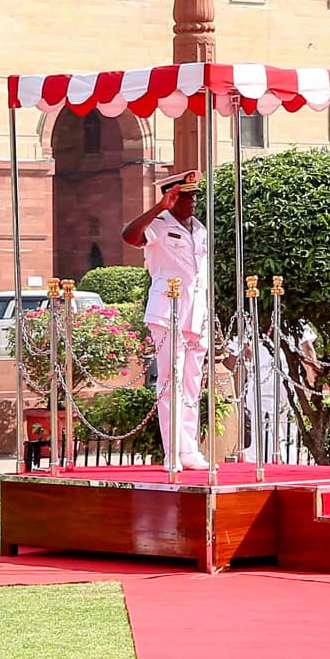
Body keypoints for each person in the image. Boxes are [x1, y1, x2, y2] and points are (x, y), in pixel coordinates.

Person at [123, 169, 209, 471]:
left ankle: (188, 449)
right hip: (167, 311)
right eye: (186, 197)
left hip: (196, 314)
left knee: (192, 383)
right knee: (171, 381)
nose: (193, 202)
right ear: (171, 198)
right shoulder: (158, 225)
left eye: (194, 196)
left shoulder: (200, 229)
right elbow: (129, 236)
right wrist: (159, 207)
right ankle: (172, 450)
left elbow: (200, 278)